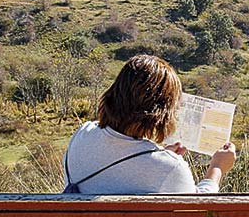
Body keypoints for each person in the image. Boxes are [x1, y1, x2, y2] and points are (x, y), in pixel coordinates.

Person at [63, 54, 237, 194]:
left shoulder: (82, 134)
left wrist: (159, 156)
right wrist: (217, 167)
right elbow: (198, 209)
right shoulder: (170, 168)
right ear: (163, 112)